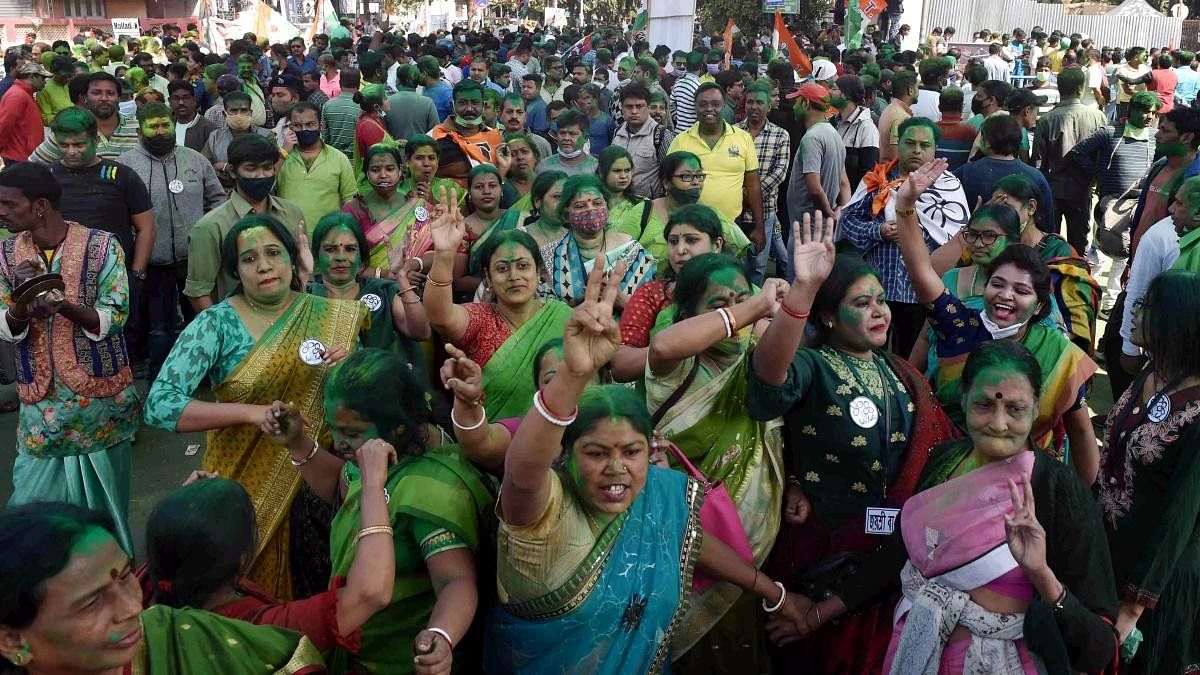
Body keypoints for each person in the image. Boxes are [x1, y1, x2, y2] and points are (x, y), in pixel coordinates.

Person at [486, 257, 807, 672]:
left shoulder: (659, 494)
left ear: (652, 449)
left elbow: (693, 540)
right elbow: (523, 473)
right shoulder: (541, 510)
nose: (617, 467)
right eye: (597, 453)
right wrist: (573, 373)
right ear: (566, 454)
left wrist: (773, 592)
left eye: (632, 452)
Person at [807, 340, 1119, 673]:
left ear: (1036, 407)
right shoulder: (945, 461)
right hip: (915, 648)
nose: (999, 424)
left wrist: (1041, 574)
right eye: (984, 405)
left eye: (1015, 409)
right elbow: (899, 554)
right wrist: (820, 613)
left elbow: (1101, 647)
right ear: (964, 398)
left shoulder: (1057, 491)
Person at [747, 214, 961, 673]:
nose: (880, 312)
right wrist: (802, 289)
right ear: (827, 315)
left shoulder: (898, 372)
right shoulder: (813, 365)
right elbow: (768, 380)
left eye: (881, 301)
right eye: (861, 303)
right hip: (821, 554)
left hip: (889, 561)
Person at [146, 214, 365, 600]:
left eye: (274, 253)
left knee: (319, 594)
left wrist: (349, 370)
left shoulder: (333, 315)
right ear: (235, 271)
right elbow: (161, 405)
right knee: (248, 599)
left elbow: (362, 401)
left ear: (292, 260)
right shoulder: (216, 324)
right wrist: (251, 413)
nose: (264, 265)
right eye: (248, 259)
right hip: (244, 486)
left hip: (320, 478)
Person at [264, 347, 491, 672]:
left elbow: (456, 581)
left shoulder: (430, 488)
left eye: (351, 433)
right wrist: (297, 441)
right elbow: (343, 489)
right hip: (355, 646)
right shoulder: (371, 457)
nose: (340, 443)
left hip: (400, 658)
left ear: (398, 427)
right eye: (334, 430)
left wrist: (441, 636)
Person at [894, 157, 1100, 484]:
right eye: (998, 285)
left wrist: (1085, 505)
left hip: (1028, 485)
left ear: (1038, 306)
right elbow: (921, 270)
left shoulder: (1059, 353)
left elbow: (1080, 431)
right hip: (951, 475)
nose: (1005, 296)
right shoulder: (960, 327)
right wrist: (905, 204)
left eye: (1021, 290)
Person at [645, 255, 788, 670]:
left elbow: (781, 431)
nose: (735, 310)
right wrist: (754, 307)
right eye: (719, 304)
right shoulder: (677, 366)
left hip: (757, 536)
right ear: (688, 314)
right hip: (688, 536)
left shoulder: (759, 356)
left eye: (741, 297)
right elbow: (663, 344)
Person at [0, 503, 327, 675]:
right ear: (13, 640)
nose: (132, 608)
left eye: (125, 576)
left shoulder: (180, 634)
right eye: (92, 603)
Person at [0, 162, 140, 555]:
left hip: (99, 406)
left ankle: (109, 587)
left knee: (105, 514)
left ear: (40, 205)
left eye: (10, 204)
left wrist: (62, 306)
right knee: (29, 512)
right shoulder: (7, 254)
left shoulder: (101, 245)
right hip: (41, 409)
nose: (2, 212)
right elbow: (4, 324)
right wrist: (24, 298)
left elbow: (116, 315)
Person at [143, 468, 392, 654]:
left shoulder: (143, 594)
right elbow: (370, 593)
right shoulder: (260, 630)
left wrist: (184, 512)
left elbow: (171, 545)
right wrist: (371, 486)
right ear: (241, 562)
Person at [1099, 271, 1200, 674]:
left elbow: (1180, 517)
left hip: (1158, 582)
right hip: (1114, 558)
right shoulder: (1153, 374)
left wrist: (1134, 605)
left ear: (1176, 320)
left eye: (1145, 307)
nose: (1134, 314)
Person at [423, 191, 572, 420]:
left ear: (539, 272)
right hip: (487, 441)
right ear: (489, 279)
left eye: (523, 266)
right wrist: (444, 254)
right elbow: (440, 315)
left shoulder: (562, 317)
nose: (514, 276)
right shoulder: (481, 318)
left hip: (556, 439)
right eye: (502, 268)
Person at [841, 118, 969, 358]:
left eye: (924, 145)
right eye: (910, 143)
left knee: (911, 357)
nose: (917, 150)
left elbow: (956, 238)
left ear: (935, 149)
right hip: (878, 291)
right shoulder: (876, 180)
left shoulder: (949, 189)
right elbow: (848, 222)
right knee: (870, 353)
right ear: (898, 145)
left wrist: (914, 232)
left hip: (920, 294)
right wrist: (877, 231)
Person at [116, 102, 224, 381]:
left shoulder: (195, 160)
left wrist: (208, 237)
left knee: (201, 322)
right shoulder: (126, 166)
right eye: (154, 126)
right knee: (159, 328)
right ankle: (161, 382)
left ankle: (206, 376)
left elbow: (217, 200)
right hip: (153, 262)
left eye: (165, 124)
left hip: (196, 261)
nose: (161, 131)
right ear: (141, 130)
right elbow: (119, 213)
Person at [612, 204, 726, 382]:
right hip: (663, 406)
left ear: (717, 245)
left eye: (691, 240)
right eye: (673, 241)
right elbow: (621, 366)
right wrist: (671, 349)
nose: (680, 250)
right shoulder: (652, 295)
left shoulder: (738, 293)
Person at [990, 174, 1100, 355]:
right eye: (995, 209)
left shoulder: (1061, 254)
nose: (1000, 216)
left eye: (1006, 208)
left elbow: (1076, 326)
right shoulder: (994, 248)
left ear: (1031, 207)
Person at [306, 212, 429, 361]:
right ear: (317, 256)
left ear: (361, 257)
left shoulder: (382, 292)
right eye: (330, 249)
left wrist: (401, 276)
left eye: (350, 249)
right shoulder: (307, 296)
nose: (340, 257)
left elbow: (421, 332)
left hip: (377, 382)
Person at [669, 83, 767, 252]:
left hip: (732, 224)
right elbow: (670, 185)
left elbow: (753, 185)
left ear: (723, 106)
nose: (709, 109)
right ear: (695, 107)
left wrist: (760, 226)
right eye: (703, 104)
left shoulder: (743, 139)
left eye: (715, 104)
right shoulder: (681, 141)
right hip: (691, 226)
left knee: (728, 273)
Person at [541, 174, 656, 308]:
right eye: (580, 206)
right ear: (567, 214)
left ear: (607, 207)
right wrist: (581, 300)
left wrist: (620, 300)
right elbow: (543, 312)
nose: (590, 209)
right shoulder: (550, 256)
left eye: (597, 203)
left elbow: (649, 309)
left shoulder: (632, 250)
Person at [1033, 67, 1109, 250]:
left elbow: (1038, 161)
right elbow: (1103, 156)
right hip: (1083, 189)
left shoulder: (1046, 119)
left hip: (1052, 188)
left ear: (1059, 88)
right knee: (1079, 243)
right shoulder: (1098, 117)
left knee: (1048, 242)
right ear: (1081, 88)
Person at [955, 114, 1055, 233]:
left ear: (987, 142)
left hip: (975, 243)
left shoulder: (965, 172)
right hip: (1023, 247)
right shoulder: (1036, 176)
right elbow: (1047, 222)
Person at [643, 151, 751, 261]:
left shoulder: (713, 216)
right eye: (686, 176)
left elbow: (741, 252)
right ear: (666, 183)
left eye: (699, 176)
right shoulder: (645, 211)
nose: (696, 182)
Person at [275, 101, 357, 231]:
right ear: (290, 128)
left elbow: (350, 201)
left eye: (310, 124)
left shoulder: (339, 158)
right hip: (289, 237)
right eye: (297, 126)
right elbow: (267, 186)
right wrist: (283, 154)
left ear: (321, 125)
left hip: (327, 239)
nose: (304, 130)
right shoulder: (281, 157)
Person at [31, 72, 142, 164]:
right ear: (84, 98)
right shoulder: (70, 129)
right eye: (96, 93)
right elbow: (33, 166)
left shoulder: (137, 129)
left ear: (118, 97)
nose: (104, 98)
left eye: (110, 93)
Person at [787, 83, 851, 233]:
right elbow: (844, 184)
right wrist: (840, 210)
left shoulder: (811, 138)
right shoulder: (834, 134)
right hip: (823, 229)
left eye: (797, 102)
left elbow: (815, 189)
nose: (794, 107)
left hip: (806, 230)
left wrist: (829, 214)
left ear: (806, 103)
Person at [429, 80, 504, 187]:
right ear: (452, 106)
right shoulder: (434, 138)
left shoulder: (495, 138)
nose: (469, 108)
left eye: (475, 103)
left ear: (483, 106)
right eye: (463, 103)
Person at [612, 83, 675, 200]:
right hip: (620, 203)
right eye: (629, 107)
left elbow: (670, 177)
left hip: (648, 206)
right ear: (622, 108)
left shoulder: (661, 135)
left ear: (647, 107)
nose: (634, 111)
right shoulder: (617, 132)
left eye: (639, 106)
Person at [0, 63, 49, 165]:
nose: (45, 82)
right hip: (19, 157)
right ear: (32, 77)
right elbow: (4, 126)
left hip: (25, 156)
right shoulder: (17, 95)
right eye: (43, 78)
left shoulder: (25, 94)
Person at [535, 108, 599, 177]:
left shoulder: (596, 167)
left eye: (572, 134)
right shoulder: (544, 167)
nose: (566, 138)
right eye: (562, 133)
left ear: (585, 138)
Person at [352, 83, 392, 176]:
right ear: (376, 107)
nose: (389, 100)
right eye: (385, 98)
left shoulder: (371, 119)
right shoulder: (370, 127)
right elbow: (380, 160)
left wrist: (396, 143)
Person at [877, 70, 916, 163]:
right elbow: (896, 155)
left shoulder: (890, 108)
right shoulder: (902, 117)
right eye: (917, 88)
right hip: (893, 173)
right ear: (910, 91)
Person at [321, 68, 361, 157]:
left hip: (333, 157)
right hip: (355, 159)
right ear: (358, 84)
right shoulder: (363, 106)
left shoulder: (328, 105)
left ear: (340, 83)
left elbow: (324, 135)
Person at [168, 78, 215, 153]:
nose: (181, 102)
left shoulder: (208, 129)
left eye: (186, 98)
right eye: (176, 98)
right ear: (170, 102)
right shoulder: (166, 125)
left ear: (194, 100)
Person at [671, 50, 704, 132]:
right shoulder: (699, 87)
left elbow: (671, 105)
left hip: (678, 131)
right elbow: (701, 113)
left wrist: (679, 118)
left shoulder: (677, 83)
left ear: (686, 65)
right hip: (692, 133)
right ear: (701, 66)